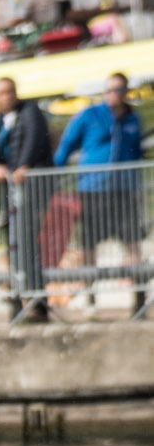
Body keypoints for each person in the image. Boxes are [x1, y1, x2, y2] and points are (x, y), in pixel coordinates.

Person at [55, 71, 143, 311]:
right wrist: (54, 174)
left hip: (123, 190)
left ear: (125, 92)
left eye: (118, 90)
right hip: (92, 190)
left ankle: (139, 297)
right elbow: (66, 145)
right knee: (88, 244)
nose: (113, 95)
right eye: (109, 90)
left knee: (133, 242)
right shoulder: (90, 115)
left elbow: (137, 152)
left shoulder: (133, 119)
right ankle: (91, 298)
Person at [0, 77, 54, 323]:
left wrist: (23, 166)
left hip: (29, 190)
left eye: (10, 92)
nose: (6, 97)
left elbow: (34, 143)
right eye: (1, 93)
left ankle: (37, 301)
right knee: (12, 246)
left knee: (27, 244)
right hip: (9, 193)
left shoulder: (30, 112)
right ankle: (17, 298)